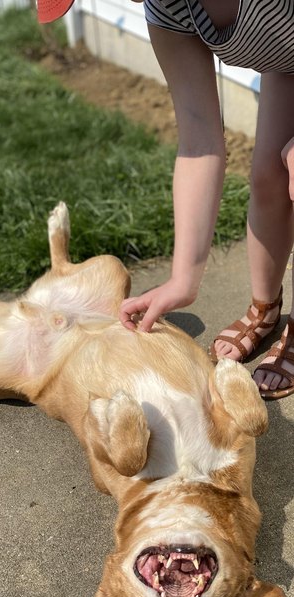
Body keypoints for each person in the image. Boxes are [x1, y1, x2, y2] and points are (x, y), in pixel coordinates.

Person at [117, 1, 294, 400]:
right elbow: (199, 140)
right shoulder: (168, 10)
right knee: (269, 177)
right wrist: (184, 278)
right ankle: (265, 307)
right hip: (289, 60)